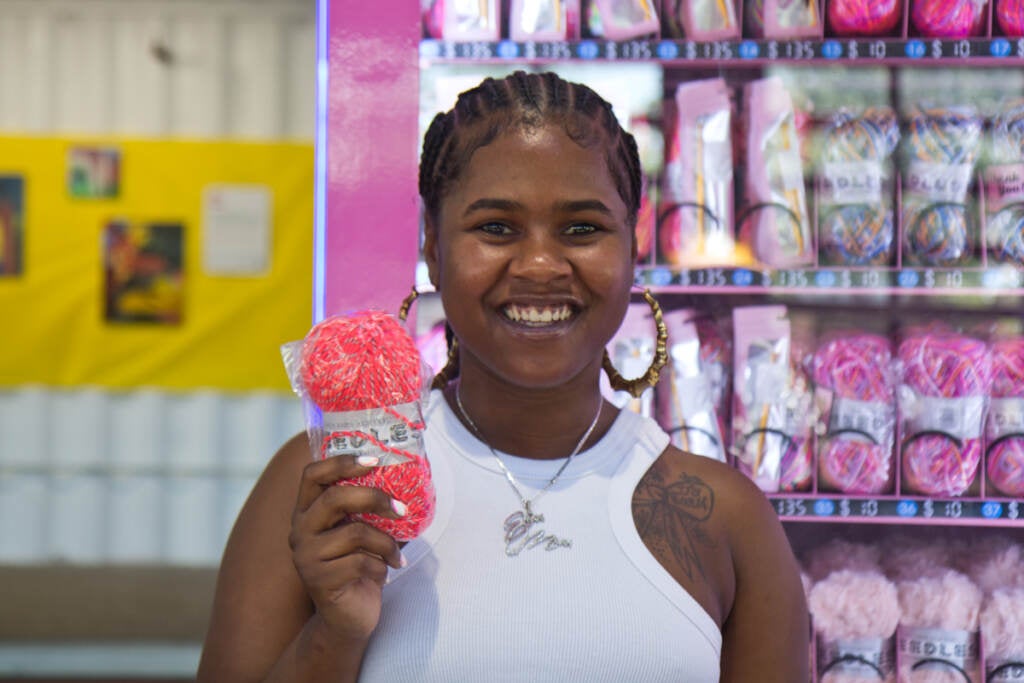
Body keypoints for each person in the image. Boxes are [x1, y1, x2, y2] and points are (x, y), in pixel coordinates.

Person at [197, 70, 809, 682]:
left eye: (582, 229)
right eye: (495, 228)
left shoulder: (730, 521)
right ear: (433, 247)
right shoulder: (329, 492)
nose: (541, 264)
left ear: (631, 250)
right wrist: (336, 631)